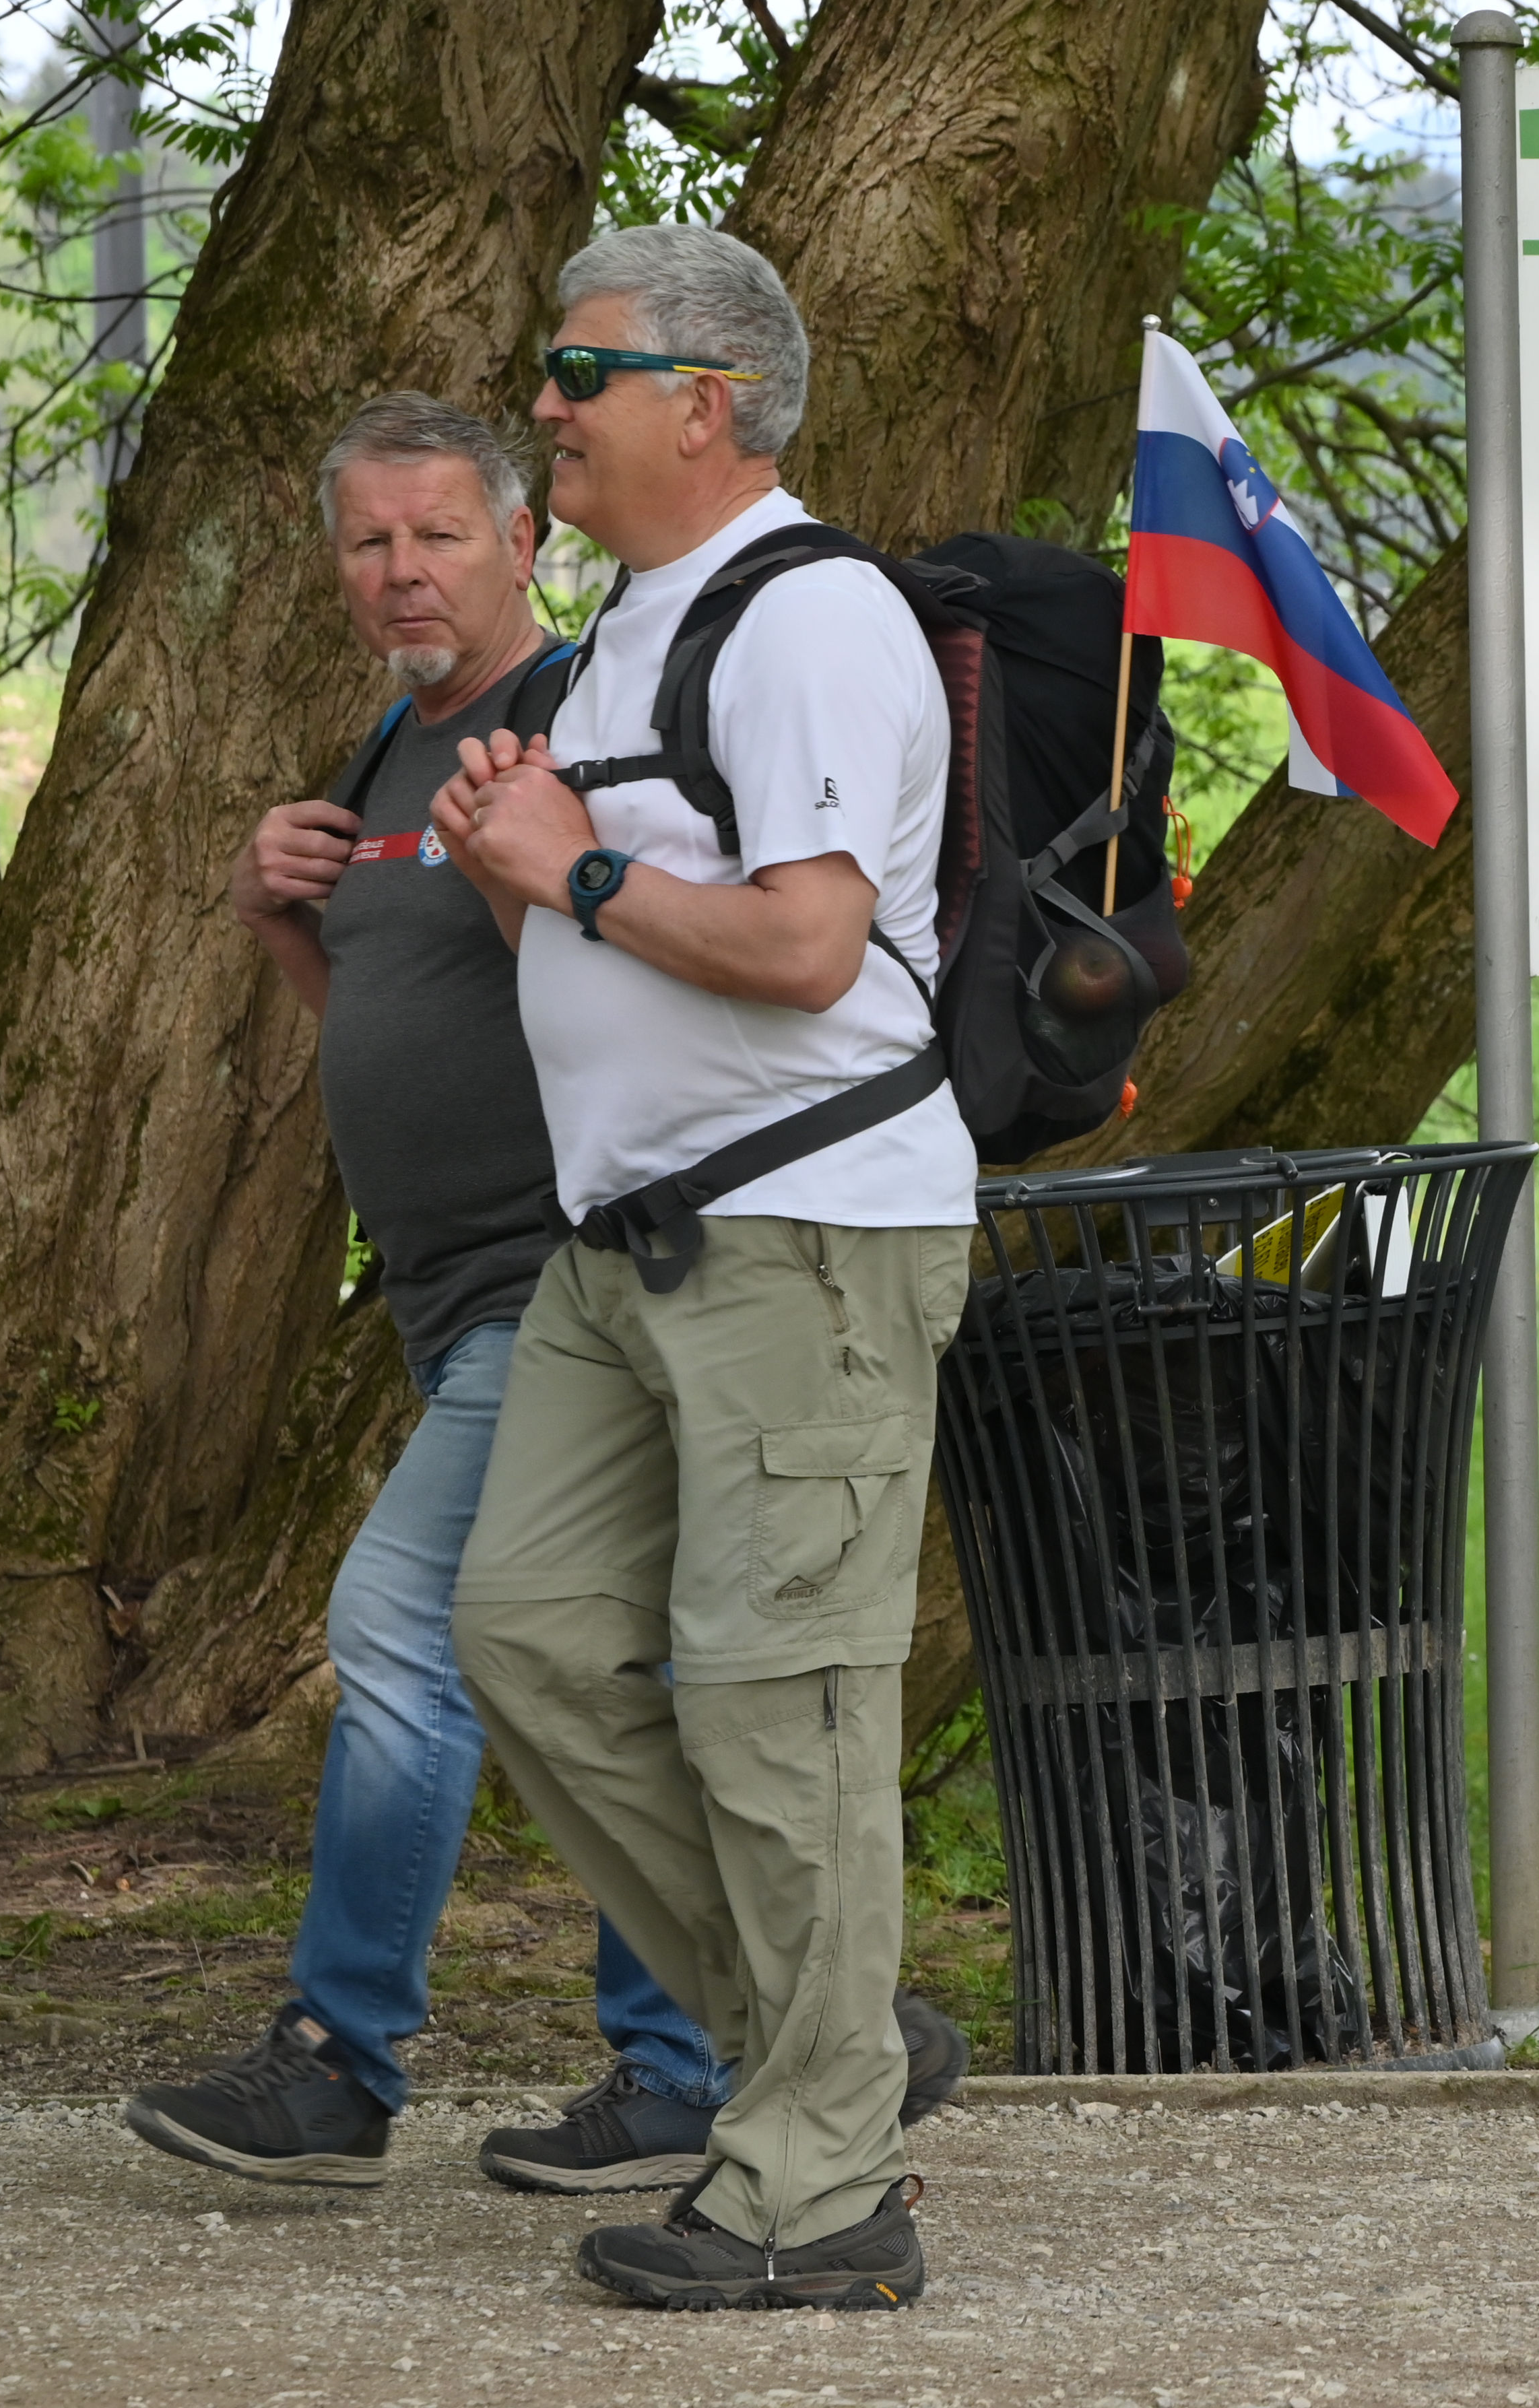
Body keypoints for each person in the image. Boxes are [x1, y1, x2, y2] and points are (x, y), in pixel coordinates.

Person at [129, 395, 960, 2199]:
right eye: (368, 540)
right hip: (450, 1292)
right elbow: (406, 1014)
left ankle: (350, 2056)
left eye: (440, 533)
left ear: (522, 541)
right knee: (574, 1648)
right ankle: (708, 2053)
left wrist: (558, 859)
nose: (402, 571)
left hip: (570, 1269)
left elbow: (629, 969)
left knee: (416, 1627)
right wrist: (285, 924)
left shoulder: (573, 717)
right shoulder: (396, 747)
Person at [436, 224, 972, 2310]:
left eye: (583, 370)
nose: (544, 403)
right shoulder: (624, 636)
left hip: (804, 1235)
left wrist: (566, 860)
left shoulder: (807, 613)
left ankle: (823, 2200)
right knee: (531, 1634)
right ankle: (827, 2043)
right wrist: (517, 862)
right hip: (632, 1241)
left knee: (779, 1705)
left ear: (707, 402)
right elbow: (592, 939)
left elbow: (808, 947)